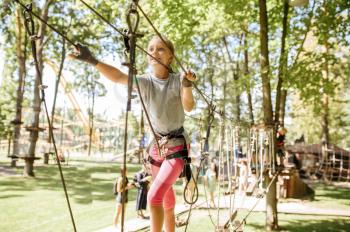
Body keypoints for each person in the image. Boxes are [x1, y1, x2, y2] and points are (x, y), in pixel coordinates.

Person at [70, 35, 196, 232]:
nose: (154, 52)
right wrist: (92, 60)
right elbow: (119, 77)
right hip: (156, 149)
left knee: (154, 196)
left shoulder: (178, 79)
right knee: (166, 201)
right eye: (151, 49)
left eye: (160, 49)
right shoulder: (145, 82)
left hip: (176, 146)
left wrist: (187, 85)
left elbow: (188, 106)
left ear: (171, 56)